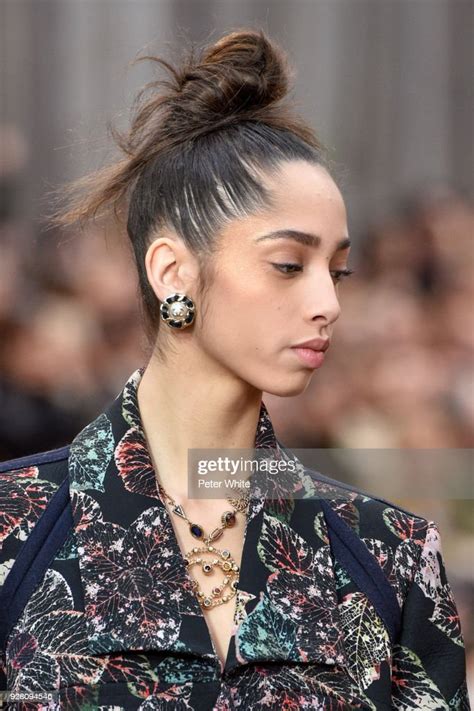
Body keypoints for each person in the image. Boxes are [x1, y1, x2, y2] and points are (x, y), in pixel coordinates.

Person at [0, 28, 469, 710]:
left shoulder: (388, 557)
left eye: (338, 272)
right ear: (172, 272)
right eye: (288, 265)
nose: (328, 302)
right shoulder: (16, 531)